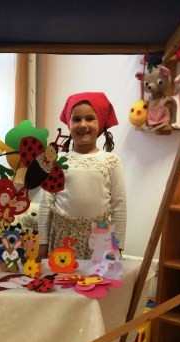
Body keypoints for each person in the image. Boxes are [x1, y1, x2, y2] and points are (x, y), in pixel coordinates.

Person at [38, 92, 126, 260]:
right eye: (76, 119)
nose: (83, 124)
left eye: (90, 118)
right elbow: (45, 204)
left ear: (100, 123)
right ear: (69, 123)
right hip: (62, 239)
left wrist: (118, 245)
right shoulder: (56, 161)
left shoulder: (112, 161)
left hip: (99, 240)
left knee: (95, 277)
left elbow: (119, 206)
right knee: (62, 276)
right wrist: (42, 242)